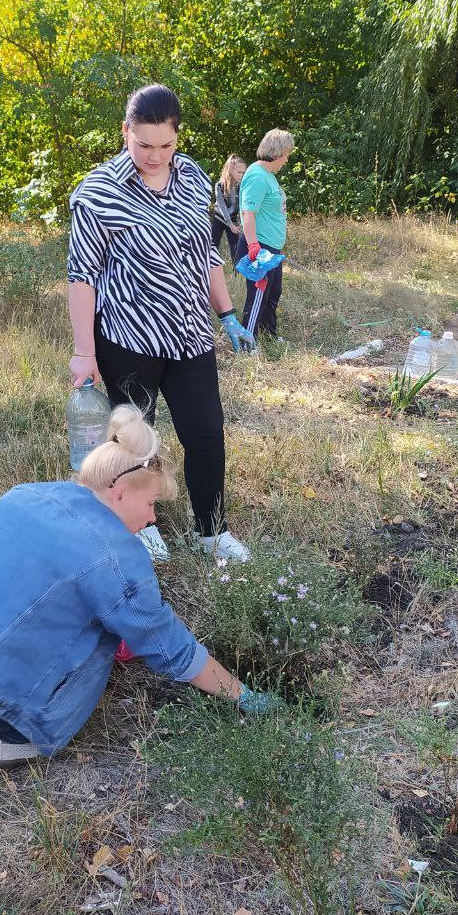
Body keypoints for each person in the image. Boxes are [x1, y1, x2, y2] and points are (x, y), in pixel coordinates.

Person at [0, 406, 278, 769]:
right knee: (105, 636)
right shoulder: (118, 557)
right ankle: (11, 739)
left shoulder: (26, 493)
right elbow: (170, 650)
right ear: (120, 491)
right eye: (152, 503)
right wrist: (242, 695)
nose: (153, 517)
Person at [67, 84, 255, 565]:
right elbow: (82, 278)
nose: (154, 156)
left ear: (177, 137)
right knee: (135, 440)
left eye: (165, 145)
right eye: (143, 144)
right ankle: (138, 528)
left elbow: (205, 253)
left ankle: (211, 532)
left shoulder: (191, 176)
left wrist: (227, 313)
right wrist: (84, 352)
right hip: (128, 339)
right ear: (125, 132)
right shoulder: (97, 194)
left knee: (207, 433)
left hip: (191, 333)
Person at [236, 128, 295, 339]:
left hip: (272, 247)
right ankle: (247, 341)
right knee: (258, 295)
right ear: (277, 151)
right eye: (287, 153)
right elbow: (248, 213)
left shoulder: (269, 175)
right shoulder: (257, 175)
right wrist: (253, 247)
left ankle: (269, 335)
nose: (287, 158)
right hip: (259, 247)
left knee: (272, 293)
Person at [212, 154, 246, 268]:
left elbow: (242, 205)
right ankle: (209, 269)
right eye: (239, 172)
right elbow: (221, 206)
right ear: (230, 170)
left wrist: (240, 223)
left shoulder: (242, 186)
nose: (242, 175)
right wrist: (229, 224)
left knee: (235, 247)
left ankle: (237, 273)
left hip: (233, 219)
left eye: (243, 172)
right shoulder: (220, 185)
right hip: (220, 217)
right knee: (213, 244)